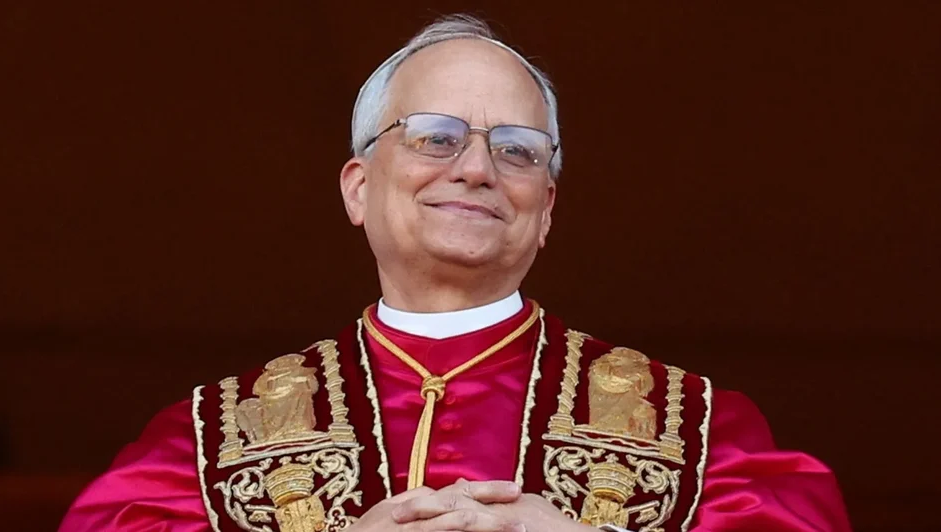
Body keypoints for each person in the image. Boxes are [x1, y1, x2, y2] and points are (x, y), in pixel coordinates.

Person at [60, 14, 851, 532]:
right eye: (435, 137)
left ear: (546, 208)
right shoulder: (209, 442)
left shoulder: (702, 434)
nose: (475, 169)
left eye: (516, 150)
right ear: (359, 188)